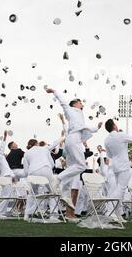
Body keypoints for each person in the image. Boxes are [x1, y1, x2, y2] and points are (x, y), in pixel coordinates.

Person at [45, 87, 102, 220]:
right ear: (75, 104)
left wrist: (97, 128)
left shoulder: (78, 116)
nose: (82, 103)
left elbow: (84, 128)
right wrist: (54, 91)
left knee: (71, 171)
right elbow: (63, 102)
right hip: (74, 140)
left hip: (72, 140)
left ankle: (66, 198)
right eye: (80, 102)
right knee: (82, 166)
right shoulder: (71, 110)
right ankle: (57, 179)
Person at [22, 133, 64, 221]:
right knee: (52, 192)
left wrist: (29, 177)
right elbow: (52, 162)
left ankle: (27, 215)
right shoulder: (44, 148)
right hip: (46, 171)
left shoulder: (26, 153)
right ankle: (54, 214)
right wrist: (63, 136)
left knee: (32, 193)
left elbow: (26, 171)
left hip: (33, 172)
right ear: (37, 143)